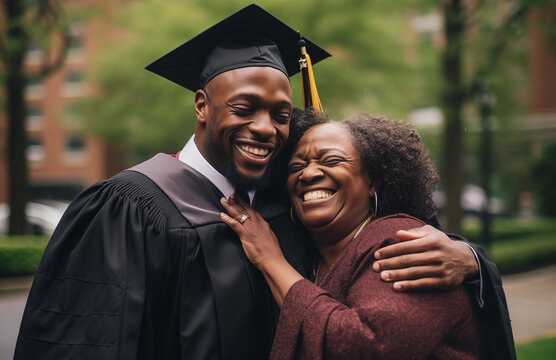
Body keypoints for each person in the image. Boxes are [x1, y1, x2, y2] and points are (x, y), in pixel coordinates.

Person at [14, 4, 506, 360]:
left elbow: (391, 239)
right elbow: (85, 343)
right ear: (202, 105)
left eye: (281, 114)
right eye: (244, 108)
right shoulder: (130, 208)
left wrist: (472, 261)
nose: (266, 128)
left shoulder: (290, 201)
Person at [221, 110, 515, 359]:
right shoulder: (309, 255)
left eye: (331, 161)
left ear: (372, 181)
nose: (308, 174)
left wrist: (271, 260)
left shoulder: (401, 240)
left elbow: (366, 347)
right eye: (297, 166)